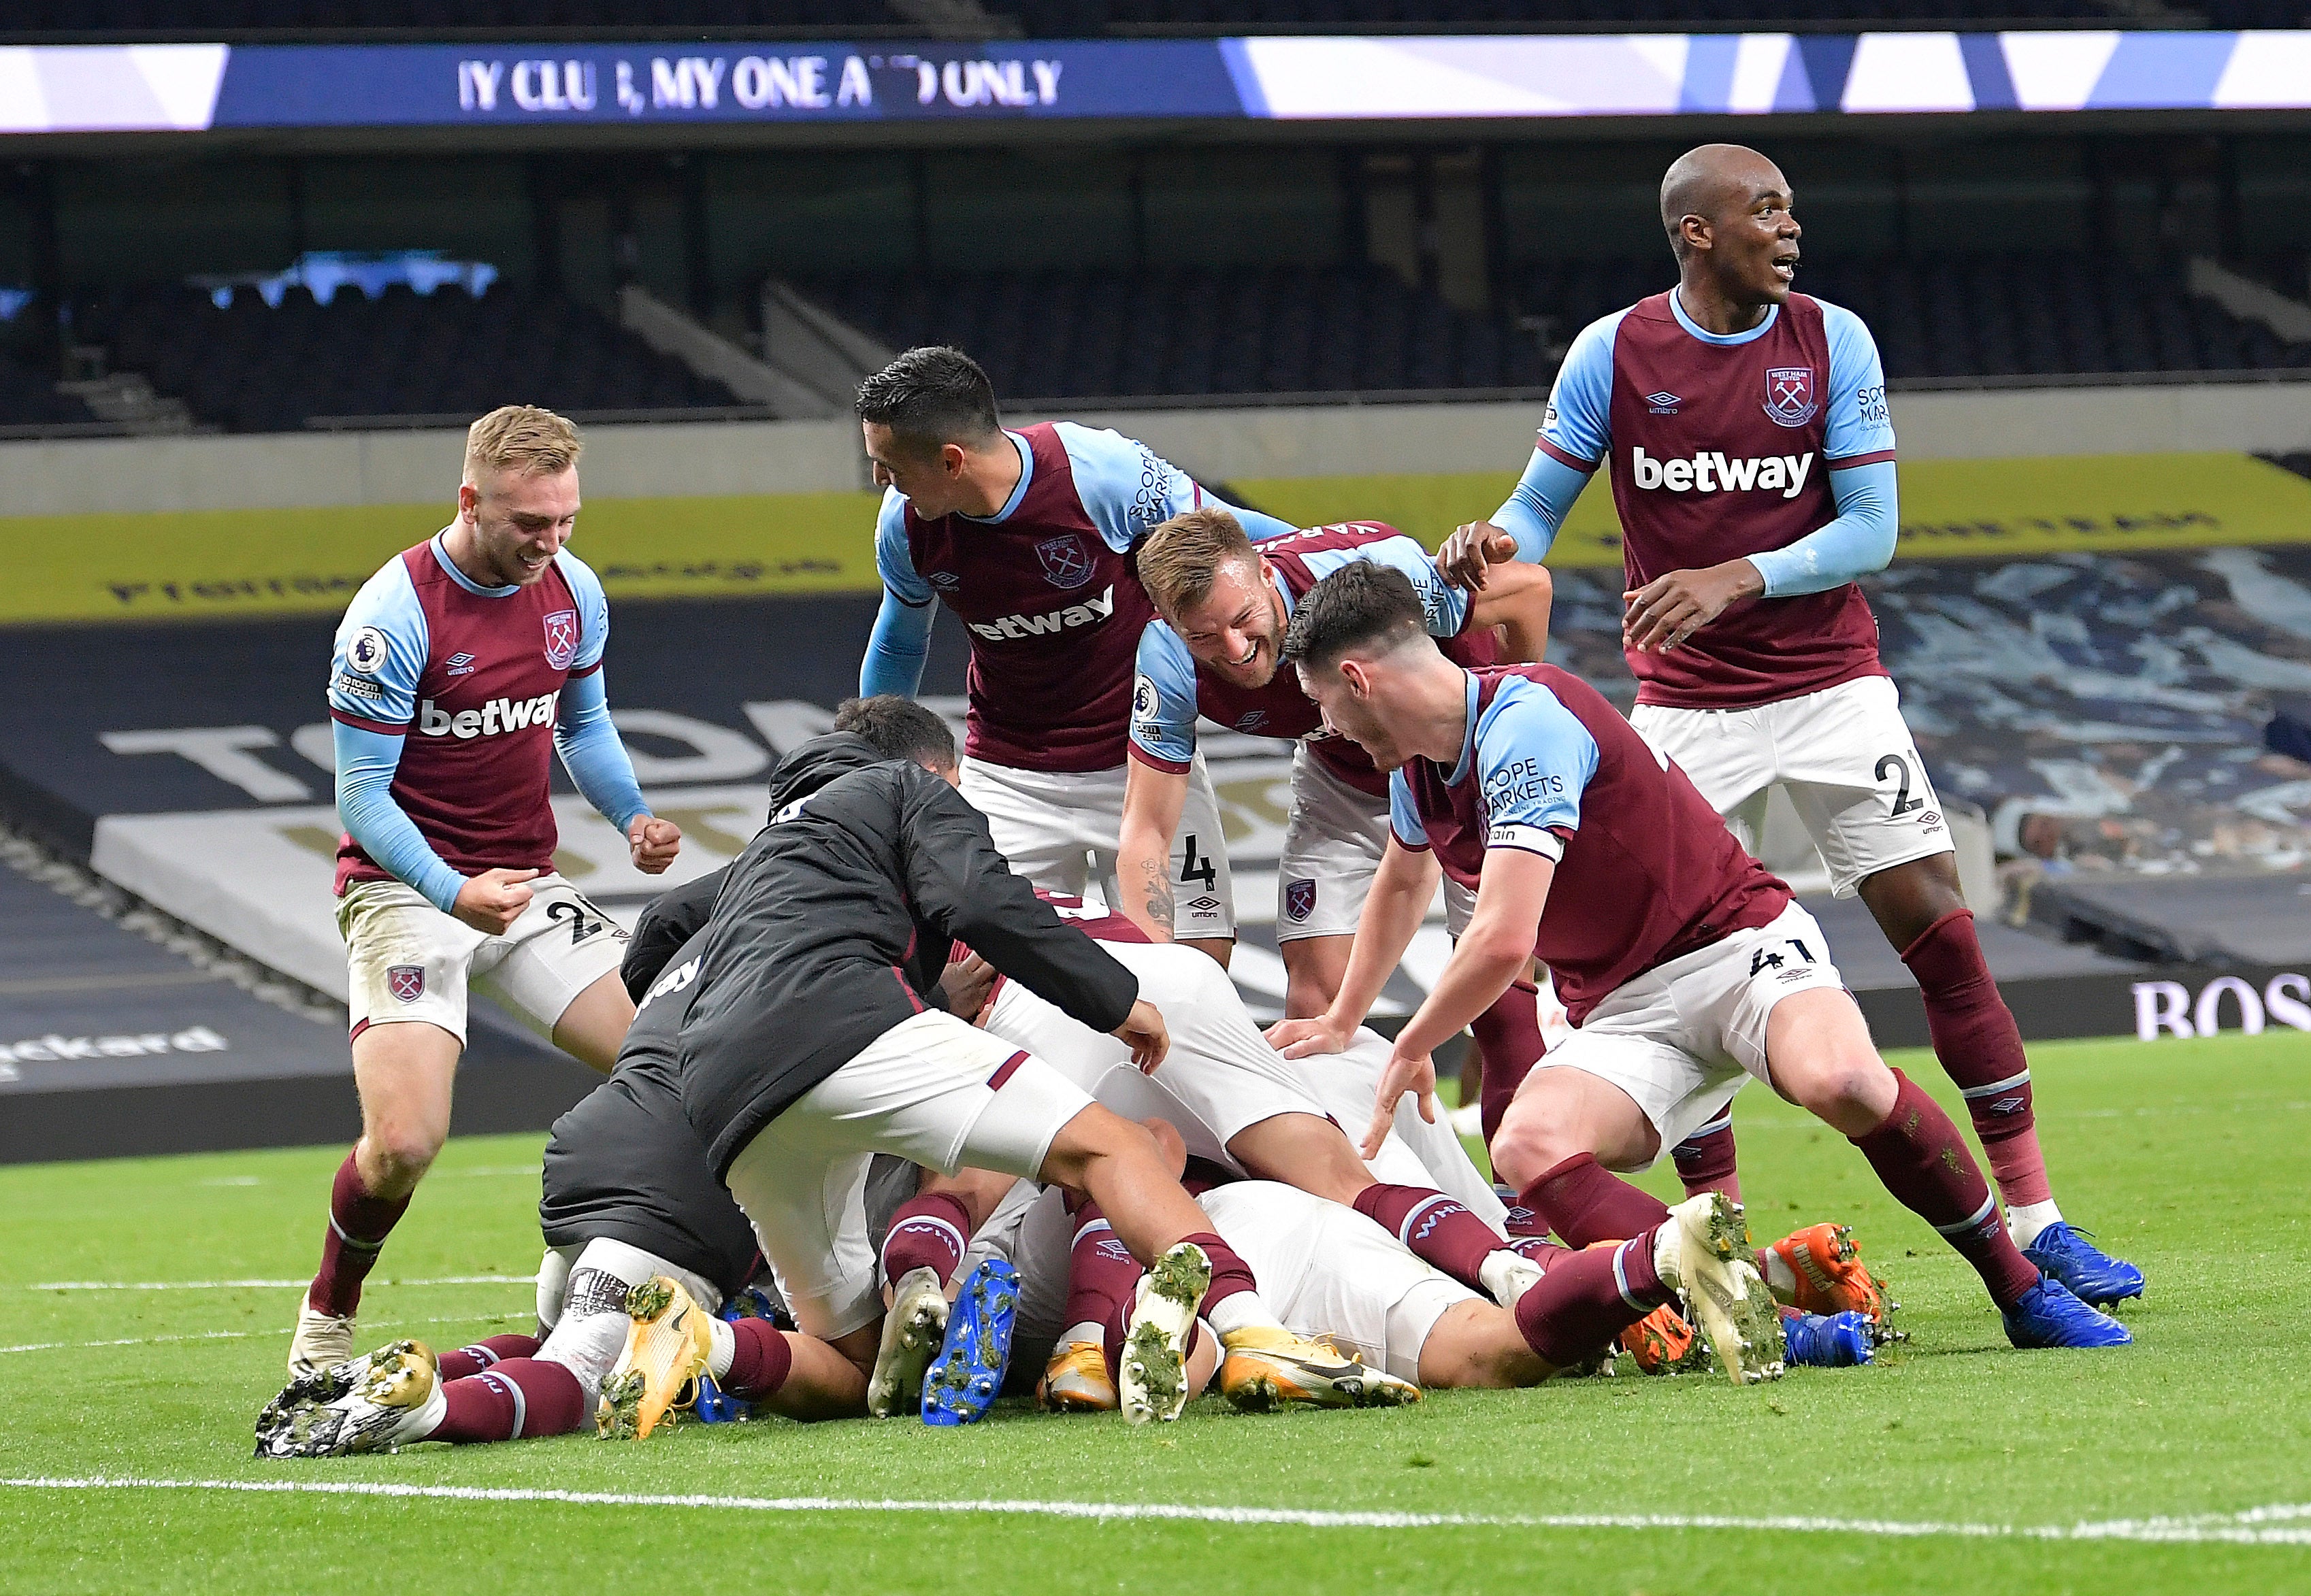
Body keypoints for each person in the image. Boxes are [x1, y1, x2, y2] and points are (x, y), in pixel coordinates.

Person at [1437, 143, 2141, 1308]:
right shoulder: (1612, 352)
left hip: (1831, 688)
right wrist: (1492, 545)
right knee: (1667, 966)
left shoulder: (1832, 341)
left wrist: (1736, 576)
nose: (1789, 225)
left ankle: (2039, 1221)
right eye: (1764, 208)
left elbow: (1872, 529)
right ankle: (1721, 1235)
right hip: (1686, 711)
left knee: (1944, 936)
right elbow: (1536, 510)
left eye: (1790, 206)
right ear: (1696, 231)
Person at [1267, 563, 2132, 1352]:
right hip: (1625, 1011)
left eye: (1321, 702)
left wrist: (1411, 1045)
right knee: (1528, 1145)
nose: (1324, 725)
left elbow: (1502, 938)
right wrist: (1344, 1017)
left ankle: (2021, 1292)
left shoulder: (1527, 721)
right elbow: (1400, 885)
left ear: (1358, 678)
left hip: (1737, 949)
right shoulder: (1419, 764)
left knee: (1845, 1082)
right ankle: (1769, 1311)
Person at [670, 708, 1413, 1424]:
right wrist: (1115, 999)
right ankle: (1252, 1332)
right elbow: (978, 899)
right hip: (849, 1030)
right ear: (937, 771)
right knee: (1117, 1147)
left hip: (724, 1097)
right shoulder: (905, 789)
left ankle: (709, 1341)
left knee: (855, 1363)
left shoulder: (758, 855)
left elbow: (659, 936)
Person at [289, 405, 683, 1378]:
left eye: (566, 523)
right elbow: (360, 797)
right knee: (405, 1142)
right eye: (528, 525)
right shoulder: (395, 614)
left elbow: (580, 724)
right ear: (470, 501)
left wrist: (630, 814)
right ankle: (327, 1315)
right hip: (405, 885)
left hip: (524, 882)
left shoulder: (572, 590)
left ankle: (629, 1278)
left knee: (679, 1071)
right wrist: (448, 887)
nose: (550, 545)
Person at [855, 345, 1297, 962]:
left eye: (889, 465)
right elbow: (902, 638)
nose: (880, 480)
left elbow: (1233, 536)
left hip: (1146, 766)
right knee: (987, 980)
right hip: (1009, 779)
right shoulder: (905, 525)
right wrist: (864, 756)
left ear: (951, 461)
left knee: (1198, 970)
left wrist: (1369, 562)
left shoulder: (1098, 472)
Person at [1119, 509, 1552, 1038]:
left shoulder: (1373, 578)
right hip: (1342, 776)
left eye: (1243, 619)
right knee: (1313, 1008)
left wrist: (1510, 729)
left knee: (1500, 1009)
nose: (1235, 651)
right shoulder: (1166, 658)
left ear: (1267, 575)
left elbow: (1530, 589)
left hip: (1461, 770)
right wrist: (1151, 982)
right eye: (1204, 637)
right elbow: (1146, 832)